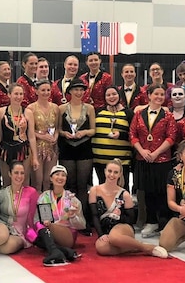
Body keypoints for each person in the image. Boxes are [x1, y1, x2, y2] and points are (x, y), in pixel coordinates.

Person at [130, 84, 178, 238]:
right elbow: (132, 134)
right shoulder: (138, 114)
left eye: (162, 94)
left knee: (163, 192)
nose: (159, 97)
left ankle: (164, 222)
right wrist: (142, 151)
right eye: (156, 94)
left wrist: (156, 152)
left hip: (162, 160)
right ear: (149, 95)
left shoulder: (168, 115)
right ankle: (151, 222)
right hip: (143, 158)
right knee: (148, 192)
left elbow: (171, 137)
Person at [92, 160, 164, 257]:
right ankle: (131, 247)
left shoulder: (124, 194)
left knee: (114, 237)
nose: (112, 175)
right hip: (106, 230)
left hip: (123, 227)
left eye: (115, 172)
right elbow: (95, 215)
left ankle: (146, 247)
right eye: (109, 171)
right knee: (101, 247)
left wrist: (119, 216)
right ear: (105, 171)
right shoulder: (95, 190)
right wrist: (101, 234)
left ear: (120, 174)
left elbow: (130, 219)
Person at [56, 80, 95, 211]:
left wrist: (84, 132)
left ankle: (83, 215)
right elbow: (58, 130)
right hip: (67, 149)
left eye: (81, 90)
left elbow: (93, 130)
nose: (79, 92)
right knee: (69, 184)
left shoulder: (89, 108)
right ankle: (68, 215)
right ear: (70, 91)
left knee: (82, 185)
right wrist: (64, 133)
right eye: (76, 89)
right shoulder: (61, 108)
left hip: (84, 149)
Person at [35, 165, 87, 250]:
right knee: (34, 231)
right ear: (51, 178)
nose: (60, 177)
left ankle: (52, 246)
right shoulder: (44, 197)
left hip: (67, 234)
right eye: (57, 174)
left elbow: (82, 225)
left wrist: (73, 216)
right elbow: (37, 220)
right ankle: (57, 249)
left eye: (63, 175)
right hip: (48, 232)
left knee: (48, 227)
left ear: (66, 179)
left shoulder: (72, 199)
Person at [92, 86, 132, 188]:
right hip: (100, 161)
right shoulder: (97, 112)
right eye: (108, 95)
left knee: (122, 190)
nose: (111, 97)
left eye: (114, 94)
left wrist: (121, 135)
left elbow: (135, 135)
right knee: (102, 191)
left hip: (122, 161)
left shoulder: (128, 113)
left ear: (119, 95)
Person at [0, 83, 32, 186]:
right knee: (7, 182)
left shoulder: (28, 112)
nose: (19, 97)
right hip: (6, 150)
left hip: (23, 149)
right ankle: (8, 202)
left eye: (21, 94)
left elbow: (32, 136)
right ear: (9, 95)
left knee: (24, 182)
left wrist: (34, 158)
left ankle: (23, 202)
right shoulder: (1, 112)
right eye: (16, 94)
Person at [27, 80, 59, 192]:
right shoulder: (31, 108)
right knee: (37, 180)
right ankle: (35, 206)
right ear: (36, 91)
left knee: (48, 180)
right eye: (43, 90)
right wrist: (41, 136)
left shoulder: (55, 108)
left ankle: (46, 205)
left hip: (51, 147)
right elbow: (29, 131)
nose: (46, 93)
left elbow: (57, 128)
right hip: (37, 147)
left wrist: (55, 136)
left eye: (48, 90)